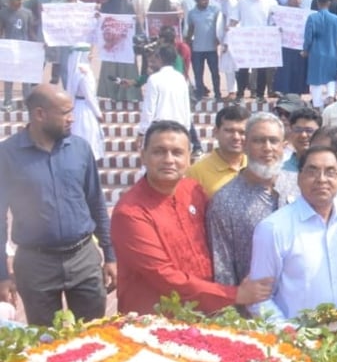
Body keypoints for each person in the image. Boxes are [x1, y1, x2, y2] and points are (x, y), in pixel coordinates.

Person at [112, 120, 273, 315]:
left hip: (203, 312)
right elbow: (163, 276)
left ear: (189, 158)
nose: (169, 160)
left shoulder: (193, 190)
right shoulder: (131, 213)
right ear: (143, 156)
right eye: (159, 152)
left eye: (177, 152)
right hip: (155, 320)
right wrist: (234, 294)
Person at [0, 85, 115, 325]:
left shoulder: (80, 149)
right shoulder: (7, 155)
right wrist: (2, 275)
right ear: (40, 114)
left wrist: (111, 256)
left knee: (94, 334)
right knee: (45, 343)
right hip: (35, 264)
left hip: (83, 259)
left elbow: (96, 204)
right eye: (65, 113)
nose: (72, 118)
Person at [248, 146, 337, 320]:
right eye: (312, 172)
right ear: (299, 178)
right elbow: (258, 299)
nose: (322, 179)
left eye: (330, 172)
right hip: (297, 340)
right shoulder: (273, 228)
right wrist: (290, 334)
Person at [207, 112, 299, 286]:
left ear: (283, 146)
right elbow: (222, 267)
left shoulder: (298, 185)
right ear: (245, 146)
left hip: (305, 304)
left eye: (273, 141)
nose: (267, 148)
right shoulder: (225, 200)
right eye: (258, 141)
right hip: (256, 307)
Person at [228, 0, 280, 101]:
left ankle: (260, 95)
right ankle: (240, 94)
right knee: (243, 69)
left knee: (262, 69)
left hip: (263, 40)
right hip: (246, 40)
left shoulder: (271, 2)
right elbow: (235, 18)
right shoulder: (243, 0)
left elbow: (276, 21)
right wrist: (230, 29)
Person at [187, 104, 250, 197]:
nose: (236, 137)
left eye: (242, 132)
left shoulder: (257, 167)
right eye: (229, 131)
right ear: (216, 132)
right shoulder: (196, 173)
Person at [64, 43, 104, 161]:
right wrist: (98, 114)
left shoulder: (75, 71)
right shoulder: (83, 72)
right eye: (88, 53)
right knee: (87, 138)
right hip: (85, 110)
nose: (91, 56)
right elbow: (89, 96)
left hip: (76, 107)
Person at [1, 0, 38, 110]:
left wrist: (38, 44)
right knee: (8, 76)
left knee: (26, 77)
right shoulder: (3, 13)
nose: (20, 2)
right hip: (9, 48)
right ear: (10, 0)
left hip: (24, 48)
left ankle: (27, 102)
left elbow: (31, 31)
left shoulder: (27, 13)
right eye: (17, 0)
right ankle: (8, 102)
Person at [302, 0, 337, 105]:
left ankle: (317, 104)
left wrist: (305, 50)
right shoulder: (335, 19)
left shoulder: (312, 18)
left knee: (316, 79)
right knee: (331, 77)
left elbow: (308, 37)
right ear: (328, 3)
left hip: (316, 53)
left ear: (318, 3)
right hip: (331, 52)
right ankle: (331, 97)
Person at [185, 0, 222, 100]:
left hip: (211, 48)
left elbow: (219, 27)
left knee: (215, 73)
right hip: (197, 48)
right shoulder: (192, 13)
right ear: (196, 0)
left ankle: (218, 94)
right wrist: (187, 42)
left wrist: (219, 39)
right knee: (198, 73)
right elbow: (190, 29)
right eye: (203, 0)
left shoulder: (215, 10)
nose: (205, 2)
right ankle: (200, 94)